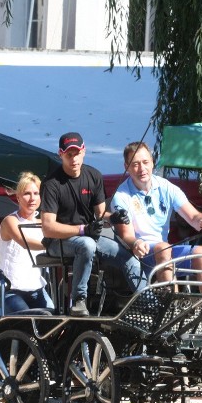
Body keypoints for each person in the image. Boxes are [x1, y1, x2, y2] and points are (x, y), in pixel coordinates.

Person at [40, 132, 147, 317]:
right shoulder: (51, 184)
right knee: (87, 244)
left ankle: (149, 301)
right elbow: (48, 227)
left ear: (84, 151)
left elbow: (100, 214)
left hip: (88, 237)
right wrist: (83, 230)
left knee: (129, 256)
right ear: (60, 154)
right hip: (58, 242)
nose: (74, 159)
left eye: (77, 153)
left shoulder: (94, 175)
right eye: (68, 154)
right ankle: (79, 300)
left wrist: (113, 218)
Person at [111, 141, 202, 294]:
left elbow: (193, 217)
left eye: (145, 162)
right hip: (137, 254)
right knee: (163, 247)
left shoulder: (167, 187)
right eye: (135, 164)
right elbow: (126, 235)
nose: (142, 168)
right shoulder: (121, 196)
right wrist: (136, 242)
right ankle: (172, 305)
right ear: (126, 167)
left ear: (153, 162)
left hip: (164, 252)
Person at [0, 171, 55, 317]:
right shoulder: (10, 221)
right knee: (28, 321)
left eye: (36, 193)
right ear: (18, 197)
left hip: (36, 288)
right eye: (27, 193)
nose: (32, 198)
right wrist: (51, 243)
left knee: (54, 320)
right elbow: (25, 242)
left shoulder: (43, 222)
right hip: (10, 289)